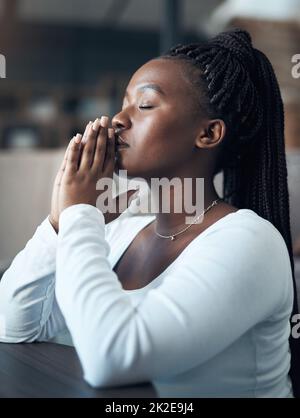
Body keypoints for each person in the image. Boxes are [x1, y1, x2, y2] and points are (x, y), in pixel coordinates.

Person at [0, 29, 299, 398]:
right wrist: (60, 223)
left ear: (208, 133)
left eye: (144, 105)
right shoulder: (118, 231)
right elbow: (13, 326)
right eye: (123, 103)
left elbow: (113, 358)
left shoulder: (250, 242)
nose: (118, 120)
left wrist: (78, 212)